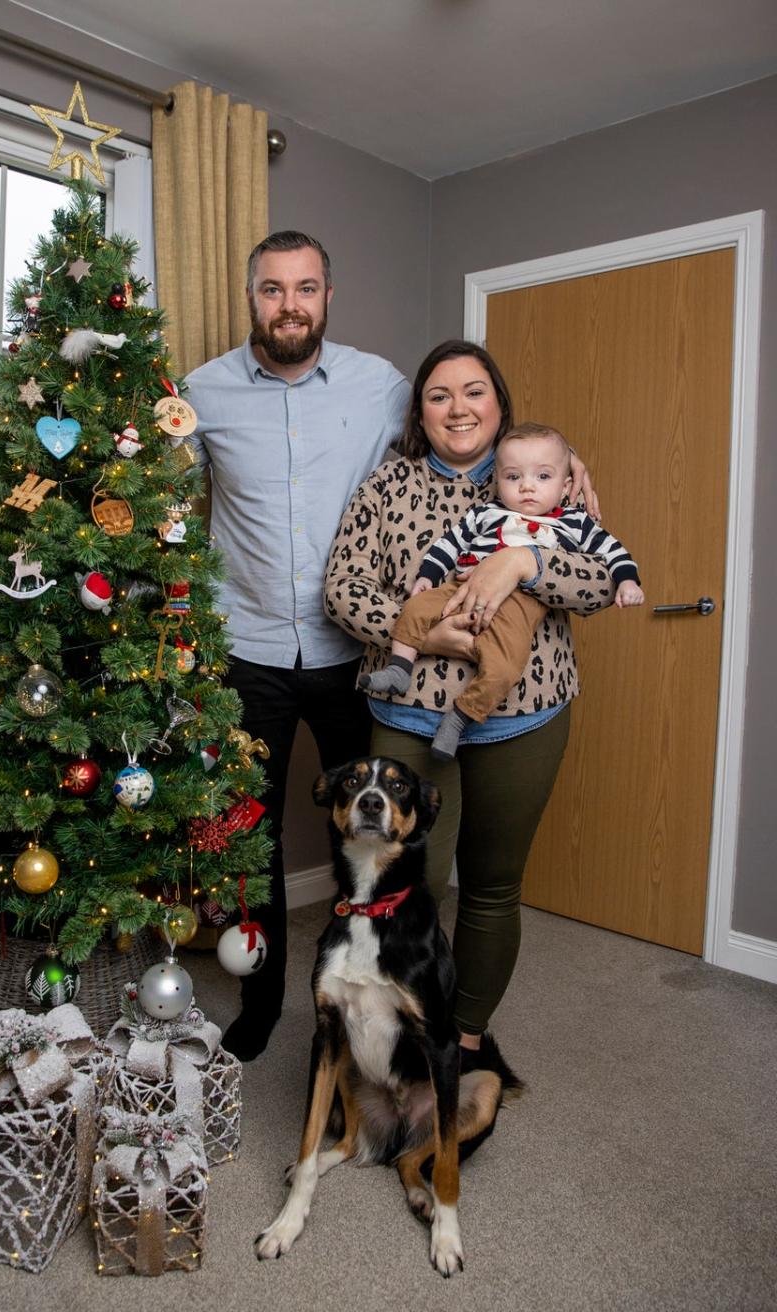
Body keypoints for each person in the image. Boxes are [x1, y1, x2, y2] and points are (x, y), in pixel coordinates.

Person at [324, 340, 614, 1065]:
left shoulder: (543, 478)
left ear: (499, 404)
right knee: (401, 888)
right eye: (440, 394)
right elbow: (342, 589)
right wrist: (426, 630)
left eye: (475, 391)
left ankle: (465, 1038)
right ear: (420, 414)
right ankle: (395, 1027)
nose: (459, 407)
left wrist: (527, 557)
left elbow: (600, 584)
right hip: (409, 722)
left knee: (490, 887)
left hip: (524, 717)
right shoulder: (387, 488)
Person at [183, 231, 412, 1061]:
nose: (290, 305)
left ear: (327, 295)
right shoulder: (202, 390)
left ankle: (371, 987)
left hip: (356, 655)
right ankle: (262, 1000)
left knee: (366, 833)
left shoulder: (380, 386)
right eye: (274, 289)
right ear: (253, 296)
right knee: (253, 836)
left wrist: (563, 475)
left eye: (306, 288)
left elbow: (464, 444)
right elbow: (153, 497)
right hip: (246, 653)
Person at [361, 421, 643, 758]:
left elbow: (612, 553)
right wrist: (428, 574)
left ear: (566, 484)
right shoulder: (486, 512)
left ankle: (461, 717)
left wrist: (628, 581)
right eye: (513, 477)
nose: (527, 487)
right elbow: (449, 544)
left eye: (542, 477)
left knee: (504, 667)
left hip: (517, 606)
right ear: (499, 480)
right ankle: (399, 670)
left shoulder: (574, 521)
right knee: (416, 607)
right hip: (460, 588)